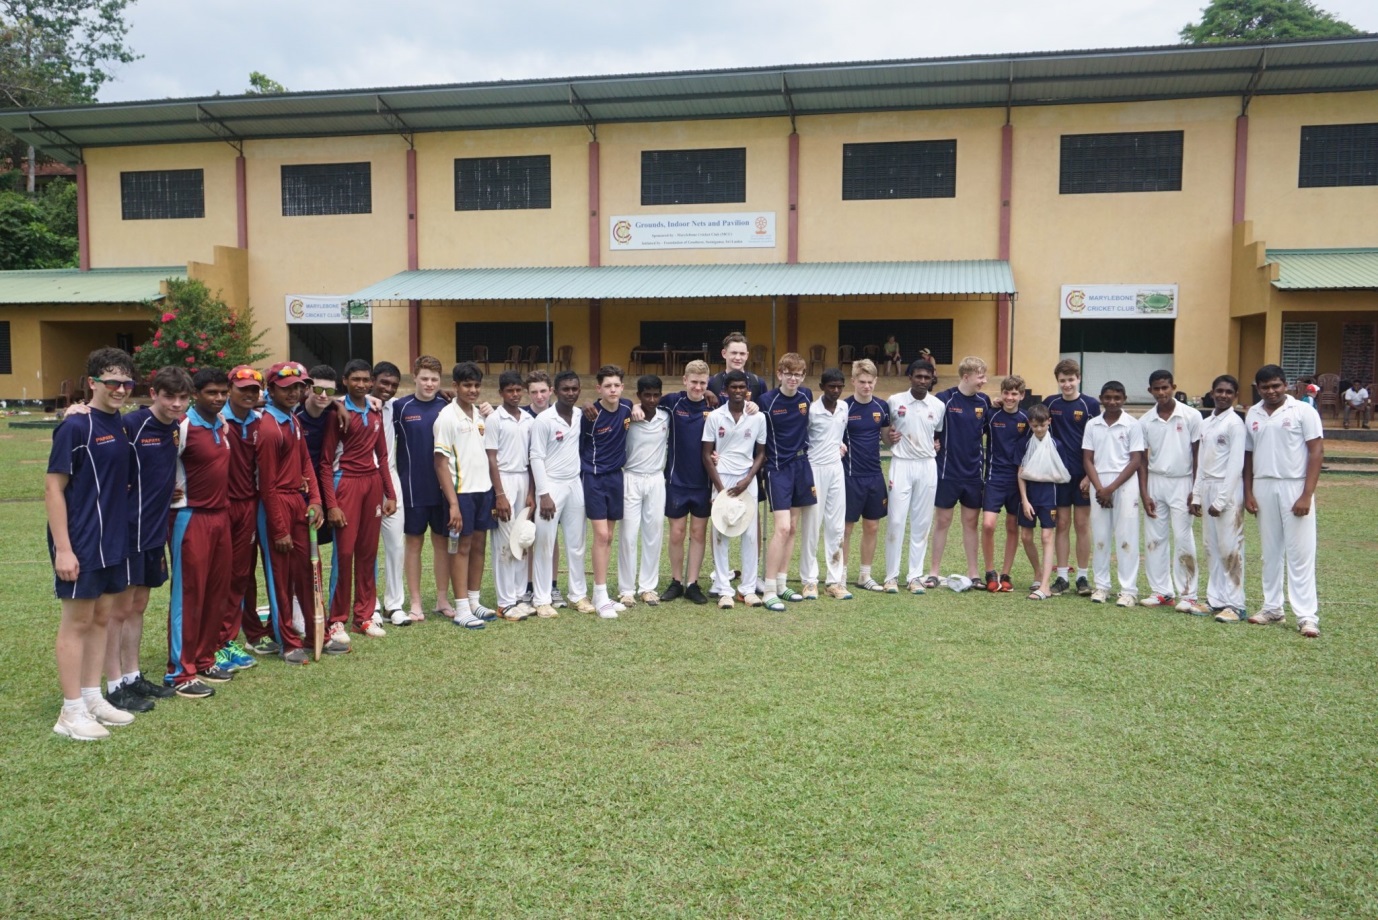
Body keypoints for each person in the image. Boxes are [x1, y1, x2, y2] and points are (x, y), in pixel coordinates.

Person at [47, 347, 140, 739]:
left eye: (126, 383)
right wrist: (64, 548)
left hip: (113, 539)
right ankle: (69, 712)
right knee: (78, 621)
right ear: (93, 383)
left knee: (102, 617)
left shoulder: (119, 423)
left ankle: (91, 697)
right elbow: (54, 487)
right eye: (111, 382)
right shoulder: (75, 426)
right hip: (81, 541)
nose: (119, 389)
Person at [166, 367, 236, 695]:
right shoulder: (182, 426)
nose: (219, 398)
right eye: (212, 392)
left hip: (221, 517)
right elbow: (151, 461)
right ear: (197, 394)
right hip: (190, 518)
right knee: (189, 594)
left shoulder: (221, 424)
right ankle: (181, 672)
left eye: (223, 392)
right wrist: (166, 490)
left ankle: (205, 657)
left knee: (216, 591)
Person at [1244, 364, 1324, 638]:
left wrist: (1306, 494)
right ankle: (1272, 607)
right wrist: (1248, 492)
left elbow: (1316, 452)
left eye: (1276, 385)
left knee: (1300, 553)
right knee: (1270, 552)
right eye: (1265, 387)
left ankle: (1306, 616)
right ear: (1258, 388)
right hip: (1263, 484)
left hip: (1294, 485)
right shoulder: (1252, 413)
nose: (1271, 391)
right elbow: (1248, 457)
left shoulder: (1303, 411)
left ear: (1286, 385)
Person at [319, 359, 397, 640]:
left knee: (368, 552)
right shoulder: (336, 412)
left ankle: (363, 617)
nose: (362, 385)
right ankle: (337, 620)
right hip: (346, 483)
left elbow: (384, 457)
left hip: (372, 484)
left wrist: (391, 493)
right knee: (344, 554)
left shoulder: (376, 411)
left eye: (366, 380)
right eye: (356, 380)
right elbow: (326, 463)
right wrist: (332, 504)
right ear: (345, 381)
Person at [257, 362, 329, 661]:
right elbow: (267, 485)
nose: (295, 393)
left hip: (298, 504)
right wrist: (279, 529)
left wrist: (315, 499)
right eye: (287, 388)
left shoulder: (292, 421)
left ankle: (316, 635)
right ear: (272, 389)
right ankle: (288, 641)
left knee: (310, 570)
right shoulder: (268, 427)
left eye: (300, 387)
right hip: (277, 506)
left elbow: (306, 465)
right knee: (281, 578)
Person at [433, 361, 496, 629]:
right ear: (455, 386)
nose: (472, 390)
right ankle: (460, 607)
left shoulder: (480, 415)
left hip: (484, 491)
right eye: (467, 385)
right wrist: (453, 504)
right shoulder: (446, 417)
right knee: (461, 547)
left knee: (479, 545)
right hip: (461, 493)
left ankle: (473, 601)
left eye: (476, 385)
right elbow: (440, 462)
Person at [1138, 369, 1205, 613]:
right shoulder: (1145, 421)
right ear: (1150, 391)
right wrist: (1145, 493)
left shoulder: (1191, 416)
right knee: (1155, 539)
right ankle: (1161, 592)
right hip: (1156, 482)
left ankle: (1188, 595)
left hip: (1183, 481)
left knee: (1183, 537)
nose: (1161, 392)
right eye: (1156, 388)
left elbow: (1198, 454)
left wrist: (1196, 490)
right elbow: (1142, 460)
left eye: (1165, 387)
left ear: (1173, 387)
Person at [393, 355, 452, 621]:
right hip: (412, 490)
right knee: (413, 545)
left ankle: (442, 599)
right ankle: (415, 602)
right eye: (425, 378)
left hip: (444, 491)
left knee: (442, 545)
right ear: (414, 376)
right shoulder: (401, 407)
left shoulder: (448, 406)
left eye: (434, 379)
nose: (429, 384)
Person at [702, 370, 767, 608]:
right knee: (721, 533)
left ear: (747, 389)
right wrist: (720, 489)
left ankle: (748, 589)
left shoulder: (757, 417)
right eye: (733, 388)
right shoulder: (715, 417)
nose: (738, 391)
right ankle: (724, 589)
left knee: (750, 535)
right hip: (722, 479)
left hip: (747, 481)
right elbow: (707, 454)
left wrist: (749, 478)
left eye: (742, 387)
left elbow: (761, 453)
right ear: (725, 391)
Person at [530, 371, 591, 619]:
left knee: (576, 544)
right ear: (555, 391)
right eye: (565, 389)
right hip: (551, 486)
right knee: (544, 543)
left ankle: (578, 595)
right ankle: (542, 598)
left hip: (574, 483)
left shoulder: (580, 415)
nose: (570, 393)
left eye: (574, 389)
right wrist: (543, 493)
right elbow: (536, 456)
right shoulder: (544, 419)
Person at [216, 365, 265, 674]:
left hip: (248, 506)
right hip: (217, 507)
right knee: (220, 576)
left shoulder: (260, 420)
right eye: (242, 388)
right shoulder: (216, 419)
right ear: (229, 389)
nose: (248, 394)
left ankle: (230, 639)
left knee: (241, 575)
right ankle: (217, 640)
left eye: (254, 390)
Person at [928, 356, 992, 587]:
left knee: (971, 523)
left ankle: (974, 574)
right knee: (943, 521)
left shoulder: (984, 402)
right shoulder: (943, 399)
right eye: (981, 376)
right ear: (966, 376)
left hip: (973, 474)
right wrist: (933, 442)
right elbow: (930, 428)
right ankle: (934, 572)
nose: (984, 381)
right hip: (947, 472)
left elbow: (987, 431)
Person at [759, 352, 816, 611]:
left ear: (803, 376)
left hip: (801, 465)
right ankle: (768, 588)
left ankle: (781, 584)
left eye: (798, 374)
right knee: (781, 528)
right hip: (777, 468)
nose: (793, 378)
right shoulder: (766, 401)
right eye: (788, 373)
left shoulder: (807, 396)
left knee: (792, 527)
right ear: (779, 374)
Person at [1190, 375, 1247, 624]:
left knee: (1230, 548)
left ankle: (1235, 604)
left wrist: (1221, 500)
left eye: (1229, 392)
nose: (1223, 395)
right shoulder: (1207, 422)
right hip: (1208, 486)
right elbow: (1202, 463)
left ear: (1235, 395)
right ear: (1212, 392)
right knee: (1211, 548)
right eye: (1219, 391)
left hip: (1228, 489)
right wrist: (1197, 495)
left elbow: (1236, 465)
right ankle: (1215, 600)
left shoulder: (1235, 424)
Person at [1082, 380, 1144, 607]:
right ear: (1101, 398)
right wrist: (1100, 488)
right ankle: (1101, 586)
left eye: (1117, 398)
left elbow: (1136, 460)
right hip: (1100, 483)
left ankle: (1128, 590)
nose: (1112, 402)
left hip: (1124, 483)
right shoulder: (1093, 424)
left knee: (1126, 537)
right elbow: (1088, 458)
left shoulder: (1132, 424)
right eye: (1108, 397)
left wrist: (1111, 488)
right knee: (1100, 536)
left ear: (1124, 399)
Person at [884, 358, 943, 594]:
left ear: (931, 380)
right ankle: (891, 577)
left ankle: (915, 576)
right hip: (901, 464)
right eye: (918, 376)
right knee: (896, 521)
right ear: (910, 377)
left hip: (927, 466)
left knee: (921, 523)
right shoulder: (895, 401)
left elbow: (938, 436)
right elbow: (885, 434)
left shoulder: (938, 405)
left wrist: (935, 446)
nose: (922, 381)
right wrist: (888, 439)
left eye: (927, 378)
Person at [659, 360, 715, 605]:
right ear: (685, 380)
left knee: (698, 533)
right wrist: (637, 407)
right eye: (694, 382)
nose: (698, 387)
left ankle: (692, 583)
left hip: (703, 482)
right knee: (677, 533)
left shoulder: (713, 404)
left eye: (703, 383)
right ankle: (675, 581)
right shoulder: (672, 402)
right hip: (676, 481)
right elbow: (643, 405)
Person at [581, 365, 634, 619]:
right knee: (601, 535)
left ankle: (601, 593)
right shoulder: (590, 414)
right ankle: (600, 595)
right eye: (607, 385)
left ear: (622, 387)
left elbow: (632, 406)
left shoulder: (626, 408)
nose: (612, 389)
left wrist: (635, 406)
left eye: (616, 385)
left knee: (609, 536)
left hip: (616, 477)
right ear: (598, 388)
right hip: (593, 478)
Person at [1045, 359, 1100, 596]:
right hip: (1059, 476)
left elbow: (1099, 441)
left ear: (1078, 379)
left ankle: (1082, 578)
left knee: (1081, 525)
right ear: (1057, 381)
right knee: (1063, 524)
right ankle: (1062, 577)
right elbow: (1034, 421)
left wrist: (1090, 474)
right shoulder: (1050, 403)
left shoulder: (1090, 405)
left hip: (1083, 476)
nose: (1067, 384)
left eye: (1071, 380)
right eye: (1062, 380)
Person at [486, 370, 537, 621]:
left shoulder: (528, 419)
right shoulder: (496, 419)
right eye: (510, 391)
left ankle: (518, 597)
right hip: (504, 479)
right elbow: (491, 459)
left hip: (523, 479)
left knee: (522, 540)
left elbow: (530, 459)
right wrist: (500, 494)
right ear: (501, 393)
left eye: (518, 390)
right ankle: (504, 602)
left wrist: (531, 492)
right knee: (504, 542)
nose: (515, 395)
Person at [799, 368, 850, 600]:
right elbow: (803, 438)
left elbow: (838, 435)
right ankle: (809, 581)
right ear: (822, 387)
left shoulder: (844, 408)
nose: (836, 390)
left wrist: (840, 446)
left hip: (836, 470)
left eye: (840, 386)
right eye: (832, 386)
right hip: (814, 469)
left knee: (836, 526)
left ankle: (834, 581)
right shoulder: (811, 410)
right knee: (812, 526)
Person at [618, 375, 670, 607]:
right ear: (638, 395)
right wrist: (632, 406)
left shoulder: (666, 416)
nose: (651, 399)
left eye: (655, 395)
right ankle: (626, 589)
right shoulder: (628, 416)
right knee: (629, 534)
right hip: (631, 477)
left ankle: (648, 587)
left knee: (653, 533)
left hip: (656, 479)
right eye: (646, 395)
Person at [841, 359, 891, 593]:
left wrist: (896, 438)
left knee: (872, 527)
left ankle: (865, 575)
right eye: (862, 382)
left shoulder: (882, 407)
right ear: (853, 381)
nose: (867, 386)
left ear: (875, 381)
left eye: (870, 382)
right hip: (850, 476)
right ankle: (839, 575)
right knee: (846, 528)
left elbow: (887, 438)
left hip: (874, 475)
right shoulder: (844, 408)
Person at [981, 376, 1031, 593]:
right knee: (988, 525)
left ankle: (1005, 573)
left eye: (1014, 394)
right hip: (994, 477)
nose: (1010, 398)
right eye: (1006, 393)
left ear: (1022, 395)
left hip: (1018, 480)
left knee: (1012, 526)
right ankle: (990, 572)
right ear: (1001, 393)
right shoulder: (991, 415)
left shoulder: (1026, 419)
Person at [371, 361, 411, 627]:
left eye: (393, 385)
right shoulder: (351, 404)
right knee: (367, 548)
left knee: (396, 544)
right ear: (373, 380)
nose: (387, 388)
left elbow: (420, 399)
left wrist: (445, 395)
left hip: (391, 480)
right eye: (383, 382)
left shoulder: (394, 406)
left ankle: (394, 604)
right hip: (362, 480)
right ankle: (370, 605)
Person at [522, 370, 563, 607]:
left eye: (543, 391)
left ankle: (553, 585)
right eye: (534, 392)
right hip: (526, 483)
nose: (539, 396)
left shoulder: (559, 414)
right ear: (528, 393)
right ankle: (529, 586)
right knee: (529, 534)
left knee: (550, 536)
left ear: (551, 391)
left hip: (552, 485)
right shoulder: (523, 416)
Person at [1018, 404, 1065, 600]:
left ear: (1049, 423)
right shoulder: (1025, 444)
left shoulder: (1056, 445)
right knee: (1026, 537)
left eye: (1042, 425)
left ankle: (1045, 586)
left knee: (1047, 537)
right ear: (1029, 424)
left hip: (1049, 496)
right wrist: (1025, 500)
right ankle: (1038, 573)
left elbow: (1060, 473)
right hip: (1029, 496)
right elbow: (1020, 474)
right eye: (1035, 425)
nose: (1039, 429)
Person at [708, 332, 767, 402]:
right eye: (734, 353)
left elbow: (764, 409)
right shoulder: (712, 383)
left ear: (747, 356)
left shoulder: (758, 383)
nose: (738, 358)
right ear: (724, 353)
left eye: (742, 354)